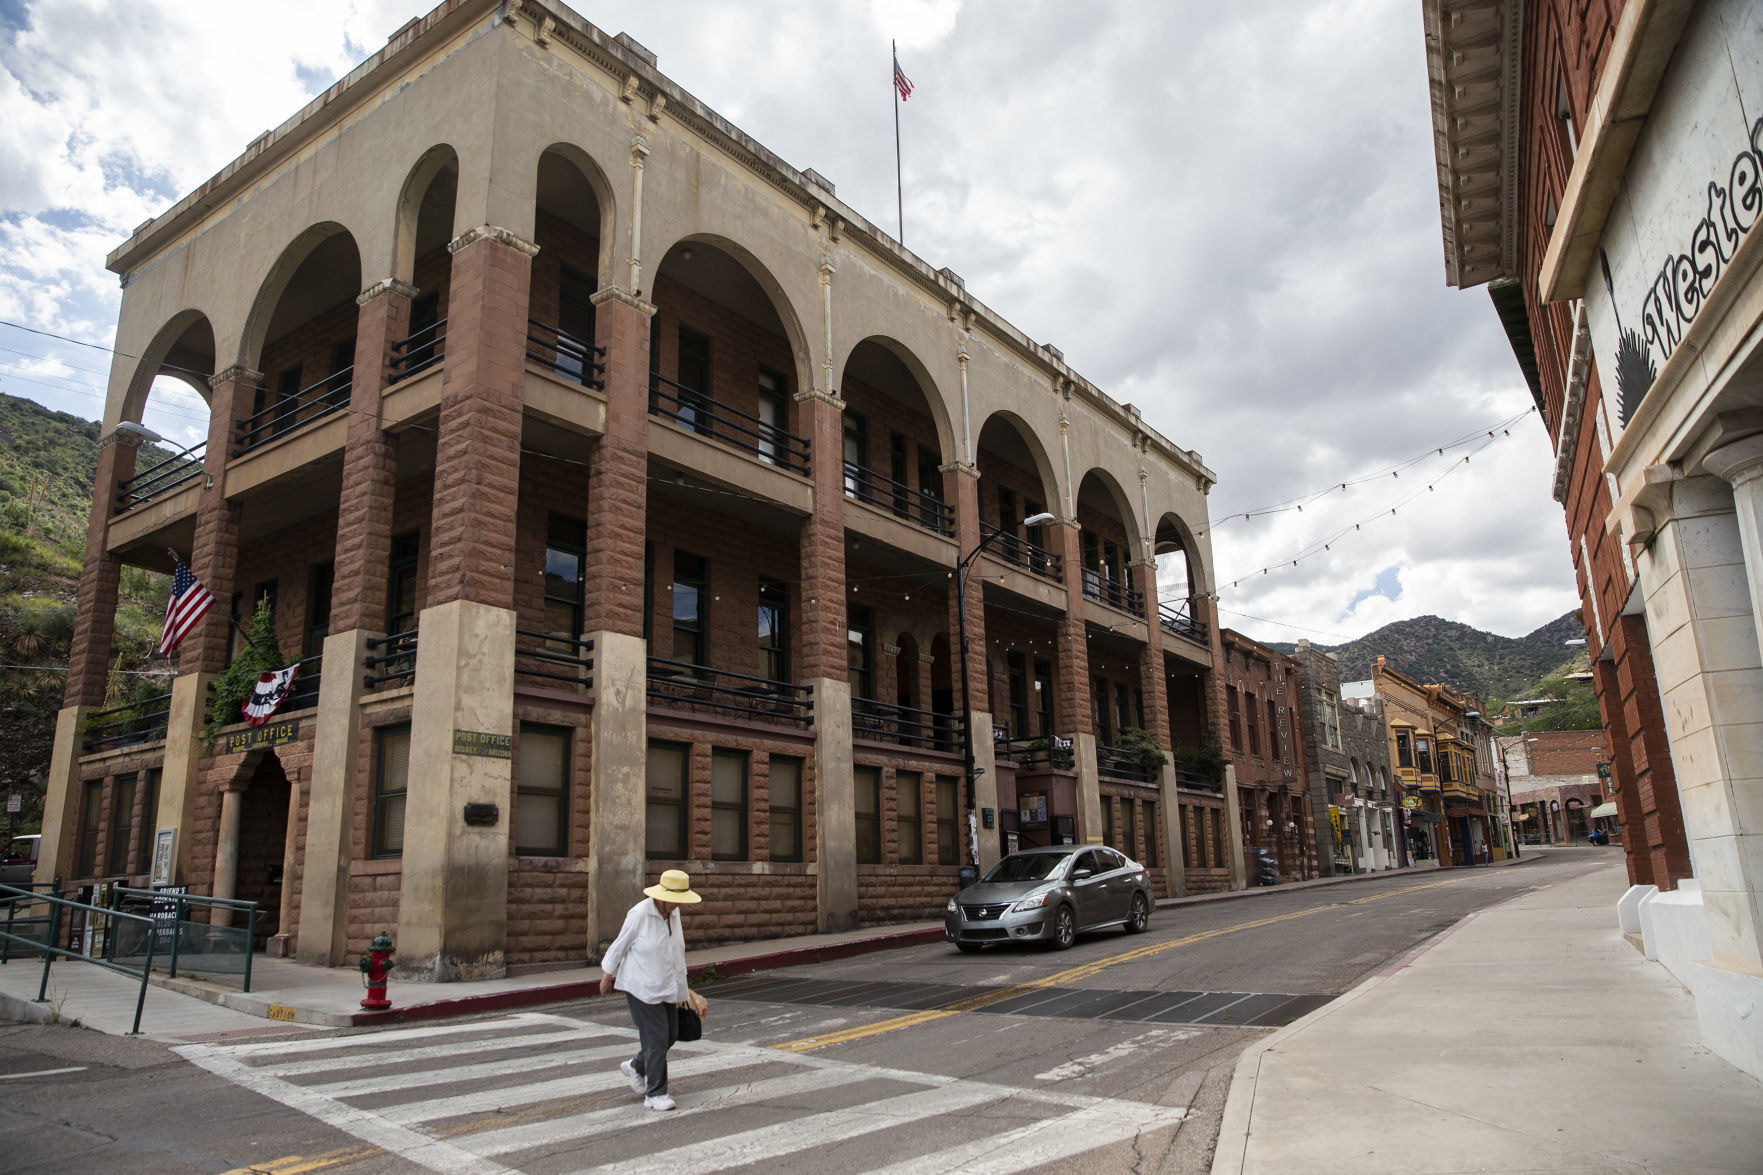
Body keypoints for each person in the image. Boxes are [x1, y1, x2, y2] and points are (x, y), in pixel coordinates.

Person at [597, 869, 709, 1111]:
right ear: (662, 895)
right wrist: (608, 974)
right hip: (642, 987)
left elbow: (676, 954)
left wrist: (685, 990)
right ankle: (656, 1093)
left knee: (670, 1035)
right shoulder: (640, 914)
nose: (680, 904)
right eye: (677, 899)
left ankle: (637, 1066)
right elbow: (620, 944)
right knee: (657, 1037)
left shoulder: (673, 914)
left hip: (666, 985)